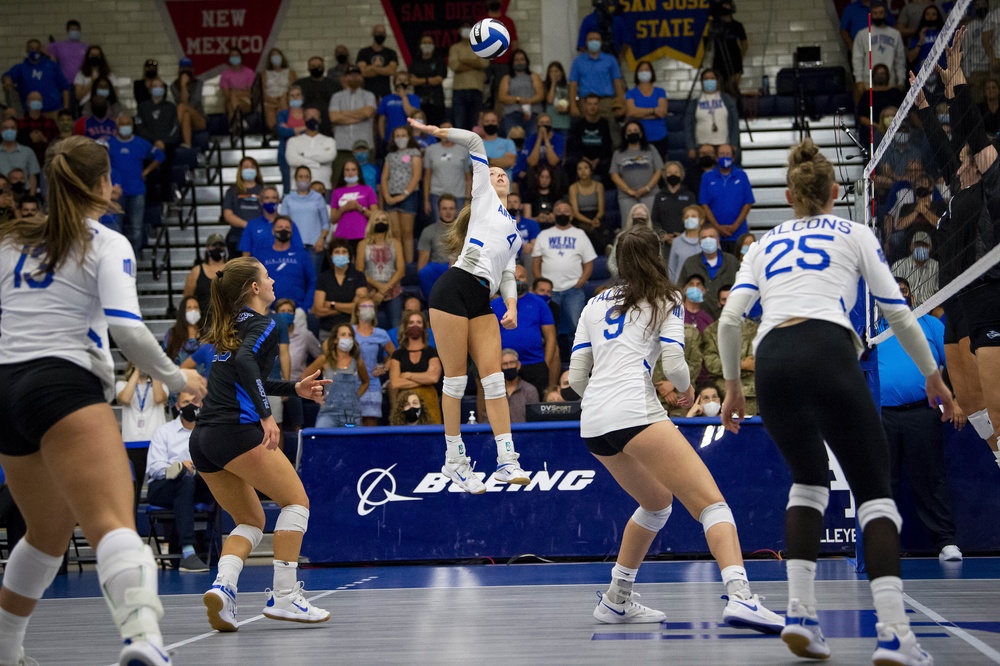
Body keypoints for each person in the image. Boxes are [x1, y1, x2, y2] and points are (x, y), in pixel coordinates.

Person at [718, 138, 952, 664]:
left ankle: (800, 614)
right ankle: (894, 634)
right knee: (875, 494)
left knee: (807, 481)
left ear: (789, 194)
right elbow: (897, 314)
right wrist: (932, 376)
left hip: (772, 357)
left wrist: (734, 387)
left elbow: (731, 320)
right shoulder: (855, 232)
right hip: (827, 346)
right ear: (833, 191)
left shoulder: (764, 242)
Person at [0, 134, 206, 666]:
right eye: (111, 176)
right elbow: (128, 331)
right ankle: (143, 641)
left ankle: (7, 650)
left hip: (5, 391)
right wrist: (178, 378)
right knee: (115, 522)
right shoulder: (105, 242)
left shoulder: (10, 241)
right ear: (101, 185)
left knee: (45, 533)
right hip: (60, 383)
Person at [568, 224, 783, 632]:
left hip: (593, 420)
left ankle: (616, 599)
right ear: (656, 257)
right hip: (634, 409)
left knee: (656, 504)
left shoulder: (594, 304)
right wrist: (685, 392)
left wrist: (606, 394)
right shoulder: (666, 297)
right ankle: (741, 598)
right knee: (711, 504)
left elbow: (577, 378)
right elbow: (677, 365)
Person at [191, 257, 331, 631]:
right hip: (235, 431)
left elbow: (244, 373)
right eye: (267, 277)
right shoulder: (267, 323)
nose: (272, 281)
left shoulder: (230, 326)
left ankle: (224, 587)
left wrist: (294, 389)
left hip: (203, 438)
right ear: (254, 288)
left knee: (251, 521)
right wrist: (268, 416)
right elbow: (249, 363)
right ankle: (284, 596)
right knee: (296, 502)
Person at [406, 117, 532, 491]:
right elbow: (476, 142)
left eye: (501, 173)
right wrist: (438, 133)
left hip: (483, 298)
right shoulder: (481, 199)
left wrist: (511, 305)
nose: (497, 175)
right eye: (491, 172)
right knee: (457, 380)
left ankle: (507, 461)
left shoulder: (515, 233)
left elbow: (508, 273)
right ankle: (454, 461)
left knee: (493, 382)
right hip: (453, 289)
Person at [877, 277, 963, 562]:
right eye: (894, 292)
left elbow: (956, 362)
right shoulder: (871, 330)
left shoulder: (928, 324)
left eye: (905, 291)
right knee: (883, 482)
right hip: (881, 415)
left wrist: (960, 400)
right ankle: (883, 545)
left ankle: (946, 542)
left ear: (912, 296)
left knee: (931, 479)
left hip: (922, 412)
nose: (900, 296)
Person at [145, 391, 214, 572]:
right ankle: (188, 552)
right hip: (163, 487)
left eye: (195, 401)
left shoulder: (208, 432)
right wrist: (178, 466)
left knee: (215, 482)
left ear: (202, 405)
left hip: (197, 482)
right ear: (177, 406)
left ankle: (215, 550)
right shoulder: (164, 432)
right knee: (184, 480)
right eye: (186, 402)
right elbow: (154, 467)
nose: (191, 405)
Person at [491, 264, 558, 398]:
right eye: (512, 277)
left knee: (537, 405)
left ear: (527, 278)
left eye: (521, 277)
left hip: (535, 363)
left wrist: (545, 363)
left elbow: (550, 337)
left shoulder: (539, 303)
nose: (517, 280)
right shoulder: (494, 304)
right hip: (504, 365)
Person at [533, 200, 597, 337]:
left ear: (572, 215)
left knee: (576, 328)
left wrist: (580, 282)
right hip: (549, 291)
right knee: (548, 328)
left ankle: (574, 358)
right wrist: (541, 283)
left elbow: (589, 263)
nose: (562, 214)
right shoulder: (544, 235)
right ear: (553, 214)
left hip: (573, 289)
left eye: (566, 211)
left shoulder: (580, 234)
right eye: (559, 211)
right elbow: (536, 262)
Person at [108, 115, 165, 254]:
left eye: (128, 123)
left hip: (137, 191)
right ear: (117, 126)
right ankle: (118, 256)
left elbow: (160, 156)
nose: (125, 126)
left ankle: (135, 255)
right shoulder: (110, 144)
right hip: (116, 193)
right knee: (116, 227)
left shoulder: (141, 143)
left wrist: (146, 171)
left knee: (136, 227)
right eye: (123, 123)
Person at [117, 362, 169, 501]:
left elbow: (159, 398)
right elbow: (125, 398)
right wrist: (137, 370)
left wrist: (153, 369)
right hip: (131, 442)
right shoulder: (122, 384)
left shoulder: (160, 384)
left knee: (160, 483)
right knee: (133, 490)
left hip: (155, 442)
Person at [305, 324, 369, 428]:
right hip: (328, 413)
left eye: (350, 335)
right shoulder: (325, 359)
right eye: (343, 334)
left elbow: (366, 382)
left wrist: (355, 396)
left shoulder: (357, 362)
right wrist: (315, 396)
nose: (347, 338)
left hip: (352, 415)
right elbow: (305, 376)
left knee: (351, 443)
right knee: (322, 441)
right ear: (335, 340)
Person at [569, 31, 626, 146]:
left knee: (611, 133)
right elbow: (573, 84)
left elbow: (617, 82)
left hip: (607, 102)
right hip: (585, 102)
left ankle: (611, 160)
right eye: (591, 39)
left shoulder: (610, 60)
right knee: (587, 134)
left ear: (601, 42)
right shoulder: (578, 61)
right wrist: (573, 105)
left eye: (596, 39)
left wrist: (620, 102)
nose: (593, 42)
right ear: (586, 42)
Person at [251, 216, 316, 312]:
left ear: (292, 231)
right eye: (280, 227)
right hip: (269, 311)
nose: (283, 230)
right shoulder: (261, 255)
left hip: (298, 310)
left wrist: (305, 307)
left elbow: (312, 281)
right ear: (273, 230)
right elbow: (254, 282)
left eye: (287, 228)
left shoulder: (302, 254)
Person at [389, 309, 443, 423]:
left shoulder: (431, 352)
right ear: (405, 327)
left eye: (418, 322)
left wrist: (407, 375)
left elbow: (433, 378)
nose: (415, 325)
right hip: (404, 403)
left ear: (424, 327)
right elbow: (395, 383)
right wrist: (424, 379)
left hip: (429, 401)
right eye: (411, 322)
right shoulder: (398, 354)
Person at [328, 65, 377, 188]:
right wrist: (359, 116)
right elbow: (334, 117)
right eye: (350, 75)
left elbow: (367, 113)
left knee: (367, 182)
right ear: (344, 78)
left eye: (356, 74)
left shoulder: (369, 95)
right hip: (342, 147)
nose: (353, 77)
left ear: (361, 77)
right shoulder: (337, 96)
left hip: (364, 147)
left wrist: (343, 115)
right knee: (339, 182)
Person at [699, 144, 754, 251]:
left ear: (733, 157)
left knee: (741, 265)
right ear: (716, 157)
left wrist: (735, 226)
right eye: (722, 154)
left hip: (739, 232)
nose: (725, 157)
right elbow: (704, 205)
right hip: (714, 234)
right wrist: (717, 227)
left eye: (728, 154)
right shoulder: (707, 177)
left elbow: (748, 203)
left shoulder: (742, 175)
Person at [357, 209, 405, 329]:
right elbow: (359, 270)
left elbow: (401, 270)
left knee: (396, 326)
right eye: (377, 219)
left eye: (384, 220)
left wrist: (384, 289)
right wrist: (380, 288)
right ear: (372, 222)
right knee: (368, 326)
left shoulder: (396, 243)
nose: (380, 222)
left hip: (393, 289)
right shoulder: (363, 244)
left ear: (388, 223)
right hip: (370, 290)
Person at [679, 226, 739, 320]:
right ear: (699, 242)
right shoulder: (690, 263)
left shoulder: (731, 261)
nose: (708, 240)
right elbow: (680, 289)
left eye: (711, 237)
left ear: (718, 240)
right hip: (698, 319)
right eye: (704, 238)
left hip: (728, 317)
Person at [381, 125, 422, 262]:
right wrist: (387, 196)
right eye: (397, 136)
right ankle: (398, 263)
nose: (400, 138)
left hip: (408, 196)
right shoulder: (390, 156)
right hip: (391, 196)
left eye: (403, 135)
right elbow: (384, 177)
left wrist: (404, 195)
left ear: (409, 137)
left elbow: (416, 176)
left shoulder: (414, 153)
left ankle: (409, 264)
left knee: (407, 232)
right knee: (395, 233)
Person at [352, 298, 395, 426]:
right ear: (357, 312)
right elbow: (328, 345)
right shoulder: (349, 331)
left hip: (372, 383)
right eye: (364, 306)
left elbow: (394, 353)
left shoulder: (380, 333)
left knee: (370, 422)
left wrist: (384, 368)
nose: (368, 309)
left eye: (371, 306)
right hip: (351, 382)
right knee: (350, 422)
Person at [610, 122, 663, 224]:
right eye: (629, 131)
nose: (632, 133)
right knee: (628, 227)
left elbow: (659, 170)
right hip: (627, 197)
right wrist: (630, 191)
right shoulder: (618, 153)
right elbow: (614, 175)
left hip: (650, 194)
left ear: (641, 133)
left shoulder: (650, 149)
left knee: (652, 225)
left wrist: (647, 188)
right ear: (625, 135)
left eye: (635, 130)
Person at [313, 238, 368, 337]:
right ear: (331, 255)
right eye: (337, 252)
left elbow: (359, 308)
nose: (340, 255)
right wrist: (347, 308)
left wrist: (331, 304)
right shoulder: (323, 278)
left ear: (349, 255)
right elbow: (318, 311)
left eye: (344, 252)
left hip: (353, 331)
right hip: (328, 331)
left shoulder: (358, 276)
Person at [281, 165, 330, 273]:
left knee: (312, 278)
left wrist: (321, 239)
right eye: (300, 177)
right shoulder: (288, 199)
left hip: (315, 246)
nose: (303, 179)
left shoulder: (318, 198)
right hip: (293, 246)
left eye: (306, 177)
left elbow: (325, 223)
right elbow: (282, 224)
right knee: (295, 278)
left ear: (310, 179)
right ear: (295, 178)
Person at [3, 39, 70, 116]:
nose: (34, 51)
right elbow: (7, 75)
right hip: (31, 114)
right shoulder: (20, 68)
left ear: (41, 50)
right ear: (27, 50)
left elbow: (65, 87)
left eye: (37, 49)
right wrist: (8, 81)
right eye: (32, 49)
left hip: (54, 111)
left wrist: (66, 108)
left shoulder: (52, 66)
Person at [852, 2, 906, 96]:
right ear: (871, 15)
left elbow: (900, 59)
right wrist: (859, 80)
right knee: (871, 109)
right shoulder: (862, 34)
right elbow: (857, 58)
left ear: (885, 14)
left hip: (890, 81)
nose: (878, 16)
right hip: (868, 81)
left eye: (881, 13)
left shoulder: (895, 34)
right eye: (875, 13)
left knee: (889, 109)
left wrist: (901, 80)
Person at [685, 71, 740, 162]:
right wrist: (691, 147)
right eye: (706, 79)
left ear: (717, 81)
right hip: (702, 147)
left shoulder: (726, 99)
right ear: (702, 82)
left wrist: (733, 143)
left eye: (712, 78)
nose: (709, 81)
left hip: (724, 145)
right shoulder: (695, 102)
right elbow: (688, 125)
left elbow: (734, 122)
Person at [423, 121, 471, 222]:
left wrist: (467, 199)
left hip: (459, 196)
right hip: (436, 195)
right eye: (442, 129)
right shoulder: (430, 150)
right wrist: (426, 200)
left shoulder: (463, 150)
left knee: (458, 229)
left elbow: (468, 177)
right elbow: (427, 177)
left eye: (448, 129)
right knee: (438, 227)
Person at [239, 186, 305, 258]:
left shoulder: (288, 224)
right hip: (259, 267)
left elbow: (299, 250)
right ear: (261, 201)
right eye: (267, 198)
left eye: (274, 198)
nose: (270, 201)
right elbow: (246, 254)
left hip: (285, 266)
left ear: (278, 200)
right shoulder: (252, 225)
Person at [449, 23, 490, 132]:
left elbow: (484, 63)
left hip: (476, 88)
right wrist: (474, 64)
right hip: (459, 89)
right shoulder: (454, 48)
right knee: (459, 123)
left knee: (475, 123)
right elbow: (455, 66)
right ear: (459, 31)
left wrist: (463, 60)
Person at [285, 107, 336, 193]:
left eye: (315, 116)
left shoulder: (329, 141)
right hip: (297, 189)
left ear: (319, 120)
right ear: (304, 119)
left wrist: (304, 155)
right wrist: (316, 164)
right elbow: (292, 160)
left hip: (323, 188)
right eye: (309, 116)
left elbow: (328, 157)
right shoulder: (293, 141)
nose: (312, 119)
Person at [566, 93, 615, 182]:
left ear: (599, 106)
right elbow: (574, 146)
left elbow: (608, 145)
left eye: (595, 104)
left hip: (601, 160)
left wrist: (597, 160)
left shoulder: (605, 124)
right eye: (589, 104)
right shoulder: (577, 124)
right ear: (585, 106)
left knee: (609, 164)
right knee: (570, 163)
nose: (592, 107)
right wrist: (586, 160)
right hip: (582, 159)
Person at [651, 162, 697, 254]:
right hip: (664, 242)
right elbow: (654, 219)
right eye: (670, 173)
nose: (673, 175)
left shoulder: (689, 195)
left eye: (676, 173)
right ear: (664, 175)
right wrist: (663, 236)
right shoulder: (659, 196)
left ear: (682, 175)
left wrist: (683, 235)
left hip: (686, 240)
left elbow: (695, 219)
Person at [223, 157, 264, 259]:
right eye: (246, 167)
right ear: (240, 170)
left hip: (259, 237)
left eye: (252, 167)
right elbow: (228, 215)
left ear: (256, 170)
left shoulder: (263, 190)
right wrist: (247, 225)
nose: (249, 169)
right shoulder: (232, 191)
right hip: (237, 237)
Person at [330, 158, 378, 245]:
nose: (350, 173)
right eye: (347, 170)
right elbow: (333, 219)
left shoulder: (368, 190)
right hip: (342, 235)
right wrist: (343, 208)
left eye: (353, 170)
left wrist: (359, 207)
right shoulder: (337, 192)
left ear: (358, 172)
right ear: (343, 172)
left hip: (363, 234)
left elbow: (375, 216)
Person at [626, 61, 669, 157]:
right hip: (637, 138)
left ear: (652, 72)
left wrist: (640, 115)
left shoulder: (660, 92)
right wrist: (653, 111)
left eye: (647, 70)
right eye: (641, 70)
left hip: (659, 136)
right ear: (637, 74)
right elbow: (631, 112)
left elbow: (662, 112)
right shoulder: (631, 93)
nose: (644, 72)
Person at [497, 50, 545, 135]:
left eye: (522, 59)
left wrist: (529, 101)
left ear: (526, 61)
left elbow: (540, 95)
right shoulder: (507, 78)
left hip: (533, 114)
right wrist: (518, 99)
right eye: (517, 60)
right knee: (514, 139)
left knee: (531, 139)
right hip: (512, 114)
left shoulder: (534, 76)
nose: (519, 62)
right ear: (512, 62)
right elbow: (502, 97)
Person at [184, 233, 228, 316]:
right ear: (207, 248)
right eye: (214, 245)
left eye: (221, 245)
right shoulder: (196, 271)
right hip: (203, 321)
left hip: (227, 319)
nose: (217, 248)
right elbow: (187, 299)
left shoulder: (232, 269)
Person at [711, 0, 748, 97]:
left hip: (734, 61)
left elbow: (744, 43)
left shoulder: (737, 25)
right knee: (718, 90)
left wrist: (740, 57)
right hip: (719, 61)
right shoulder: (715, 26)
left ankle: (736, 110)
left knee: (732, 89)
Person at [891, 230, 938, 308]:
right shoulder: (899, 265)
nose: (921, 248)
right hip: (905, 307)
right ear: (911, 247)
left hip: (930, 309)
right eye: (917, 245)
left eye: (924, 245)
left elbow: (939, 293)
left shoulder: (936, 266)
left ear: (930, 248)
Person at [409, 35, 447, 126]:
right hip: (420, 100)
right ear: (420, 45)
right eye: (424, 43)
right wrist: (429, 80)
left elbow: (439, 79)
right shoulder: (415, 62)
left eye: (429, 43)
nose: (427, 45)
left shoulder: (439, 61)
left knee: (437, 126)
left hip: (436, 101)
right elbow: (412, 81)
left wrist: (421, 80)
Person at [16, 92, 59, 168]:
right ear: (27, 103)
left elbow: (57, 143)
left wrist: (44, 140)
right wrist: (29, 139)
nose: (36, 101)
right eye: (33, 99)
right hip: (25, 163)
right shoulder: (20, 123)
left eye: (39, 100)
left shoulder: (50, 122)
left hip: (47, 162)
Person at [568, 160, 605, 248]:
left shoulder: (599, 186)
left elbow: (601, 210)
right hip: (580, 217)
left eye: (586, 168)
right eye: (579, 169)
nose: (583, 171)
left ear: (591, 170)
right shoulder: (573, 188)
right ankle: (603, 248)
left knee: (600, 227)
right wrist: (590, 221)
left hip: (596, 216)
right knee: (587, 229)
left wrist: (596, 219)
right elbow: (576, 213)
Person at [171, 57, 206, 149]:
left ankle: (173, 132)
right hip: (184, 119)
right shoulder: (174, 86)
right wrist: (182, 85)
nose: (185, 70)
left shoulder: (198, 83)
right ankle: (188, 144)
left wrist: (184, 85)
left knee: (183, 107)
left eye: (188, 68)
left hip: (199, 119)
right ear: (179, 70)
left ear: (192, 69)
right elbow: (180, 102)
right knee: (186, 114)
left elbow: (193, 103)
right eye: (183, 68)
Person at [378, 72, 420, 147]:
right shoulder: (386, 99)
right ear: (394, 82)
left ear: (409, 83)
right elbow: (382, 120)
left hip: (408, 137)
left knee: (406, 158)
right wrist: (383, 136)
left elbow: (410, 114)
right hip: (390, 138)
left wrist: (404, 97)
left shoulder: (414, 98)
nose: (402, 82)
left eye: (405, 80)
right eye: (399, 80)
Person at [357, 24, 398, 101]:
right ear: (373, 34)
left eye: (383, 33)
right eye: (378, 33)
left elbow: (392, 71)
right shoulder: (363, 52)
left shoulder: (391, 52)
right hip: (367, 93)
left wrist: (371, 68)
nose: (381, 35)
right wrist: (382, 69)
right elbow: (363, 72)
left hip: (385, 93)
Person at [0, 118, 40, 196]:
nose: (9, 131)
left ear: (17, 131)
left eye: (12, 128)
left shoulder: (28, 152)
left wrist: (31, 198)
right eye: (6, 128)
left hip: (24, 194)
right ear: (0, 131)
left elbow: (32, 177)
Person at [220, 47, 255, 131]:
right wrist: (240, 92)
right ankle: (240, 121)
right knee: (230, 101)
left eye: (237, 55)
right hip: (230, 101)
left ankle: (234, 129)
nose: (235, 57)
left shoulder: (249, 72)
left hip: (246, 102)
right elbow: (226, 94)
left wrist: (235, 92)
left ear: (241, 57)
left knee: (230, 105)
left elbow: (250, 93)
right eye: (232, 56)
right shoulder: (225, 74)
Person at [47, 20, 88, 89]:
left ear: (80, 31)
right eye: (72, 29)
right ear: (68, 31)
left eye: (76, 29)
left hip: (82, 83)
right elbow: (41, 47)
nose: (74, 31)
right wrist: (50, 56)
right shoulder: (60, 45)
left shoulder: (85, 47)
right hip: (66, 83)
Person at [164, 296, 204, 367]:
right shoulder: (173, 334)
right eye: (189, 308)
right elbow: (164, 357)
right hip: (179, 376)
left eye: (195, 307)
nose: (193, 311)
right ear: (183, 312)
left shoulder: (207, 333)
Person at [262, 48, 295, 133]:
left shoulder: (290, 72)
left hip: (285, 99)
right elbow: (263, 91)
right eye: (273, 55)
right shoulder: (265, 73)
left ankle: (285, 128)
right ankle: (275, 131)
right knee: (269, 108)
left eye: (277, 55)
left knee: (283, 102)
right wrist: (273, 100)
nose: (275, 57)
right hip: (270, 99)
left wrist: (282, 99)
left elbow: (293, 89)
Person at [907, 5, 945, 72]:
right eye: (928, 14)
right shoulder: (919, 34)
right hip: (921, 73)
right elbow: (910, 58)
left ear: (938, 16)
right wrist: (920, 41)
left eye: (934, 14)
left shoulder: (944, 33)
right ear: (924, 16)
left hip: (941, 73)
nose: (930, 16)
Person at [544, 61, 572, 136]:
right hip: (552, 123)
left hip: (565, 123)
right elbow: (549, 100)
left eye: (556, 71)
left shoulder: (568, 87)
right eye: (551, 71)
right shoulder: (546, 86)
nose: (553, 74)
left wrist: (567, 109)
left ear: (561, 72)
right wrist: (553, 83)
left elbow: (572, 102)